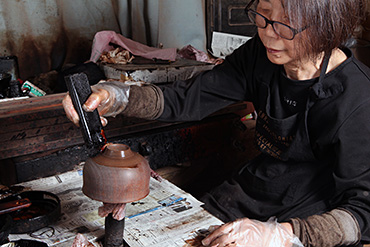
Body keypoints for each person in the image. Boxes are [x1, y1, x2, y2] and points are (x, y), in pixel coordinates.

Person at [63, 0, 370, 246]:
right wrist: (115, 96)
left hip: (308, 222)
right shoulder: (261, 56)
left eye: (284, 24)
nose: (267, 33)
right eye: (262, 15)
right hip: (246, 196)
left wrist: (281, 236)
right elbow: (189, 97)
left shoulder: (358, 100)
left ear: (325, 26)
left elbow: (362, 212)